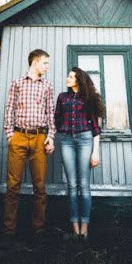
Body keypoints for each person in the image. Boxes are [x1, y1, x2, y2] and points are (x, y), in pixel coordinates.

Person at [3, 49, 55, 237]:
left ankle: (38, 229)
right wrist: (10, 135)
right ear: (35, 62)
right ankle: (9, 230)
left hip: (40, 138)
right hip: (18, 137)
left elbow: (51, 113)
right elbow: (9, 110)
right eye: (45, 63)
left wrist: (51, 136)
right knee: (12, 185)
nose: (47, 67)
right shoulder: (17, 84)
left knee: (40, 186)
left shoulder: (47, 86)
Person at [55, 67, 103, 241]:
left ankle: (85, 228)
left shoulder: (89, 98)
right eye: (68, 76)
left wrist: (95, 152)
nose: (67, 78)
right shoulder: (62, 97)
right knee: (72, 185)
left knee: (84, 184)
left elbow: (96, 128)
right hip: (66, 140)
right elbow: (57, 120)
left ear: (78, 80)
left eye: (71, 76)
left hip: (85, 140)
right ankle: (75, 229)